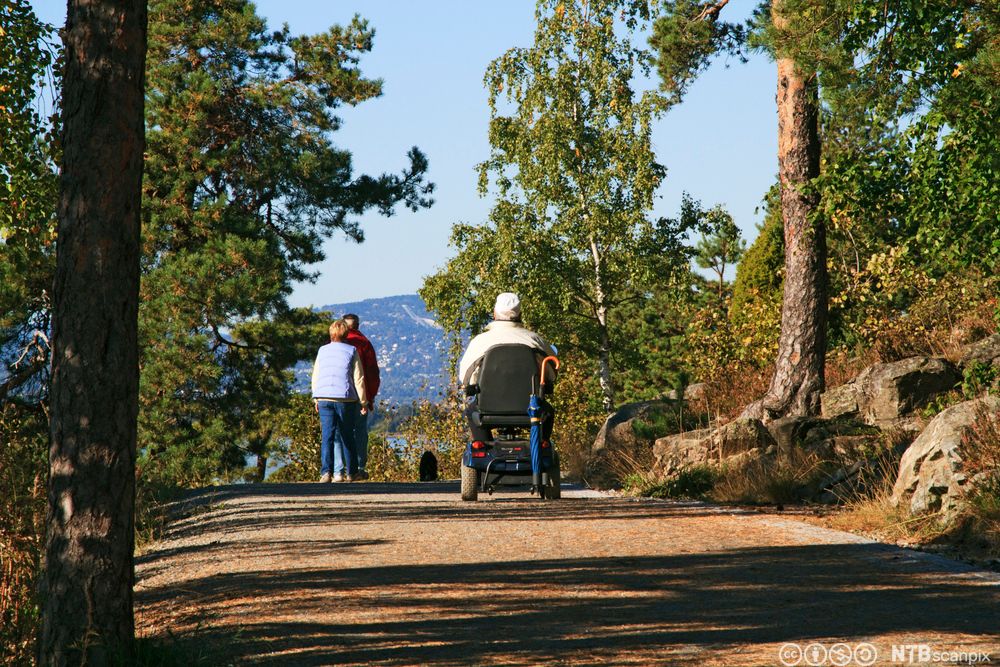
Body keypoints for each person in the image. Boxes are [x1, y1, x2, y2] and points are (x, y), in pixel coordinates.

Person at [458, 292, 557, 443]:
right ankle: (540, 447)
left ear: (494, 314)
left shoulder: (480, 342)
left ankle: (483, 447)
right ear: (520, 314)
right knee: (548, 412)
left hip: (487, 410)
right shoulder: (535, 340)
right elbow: (552, 373)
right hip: (530, 410)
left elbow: (464, 378)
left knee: (472, 411)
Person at [311, 319, 367, 483]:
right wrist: (363, 402)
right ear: (346, 334)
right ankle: (352, 472)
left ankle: (326, 473)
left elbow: (316, 375)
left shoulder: (322, 350)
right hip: (344, 397)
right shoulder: (352, 350)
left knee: (327, 436)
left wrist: (316, 397)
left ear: (331, 334)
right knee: (347, 435)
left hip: (324, 396)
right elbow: (358, 378)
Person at [343, 313, 380, 481]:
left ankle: (340, 468)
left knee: (340, 431)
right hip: (360, 394)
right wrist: (370, 397)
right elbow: (372, 373)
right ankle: (359, 467)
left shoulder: (333, 344)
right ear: (358, 325)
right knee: (360, 431)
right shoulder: (364, 343)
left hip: (340, 393)